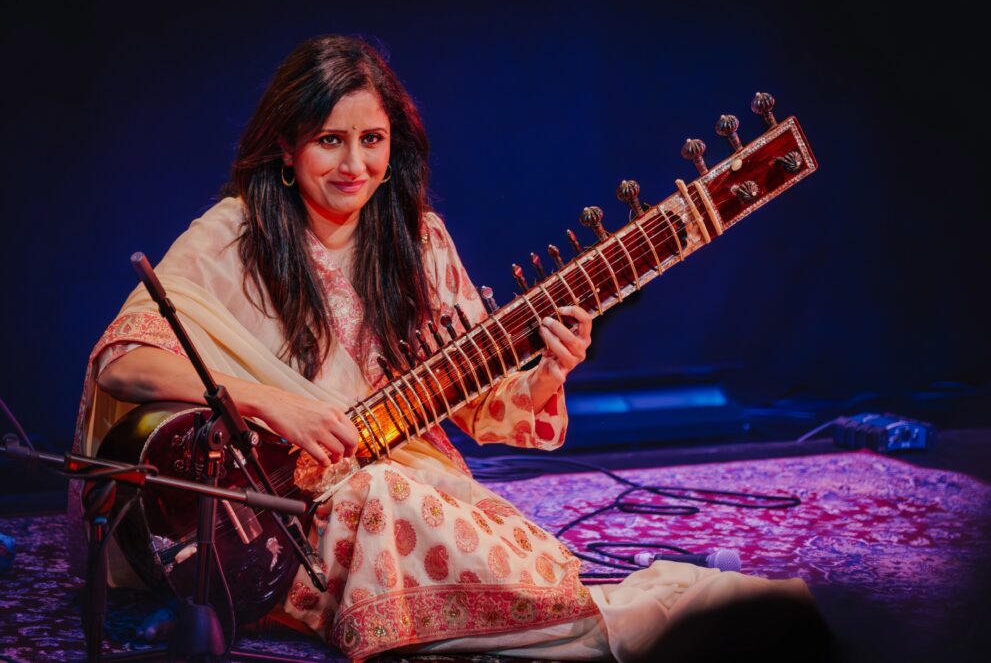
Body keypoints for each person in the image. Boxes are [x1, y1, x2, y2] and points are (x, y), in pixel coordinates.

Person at [70, 35, 813, 662]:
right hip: (267, 518)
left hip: (402, 480)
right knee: (381, 498)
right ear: (286, 147)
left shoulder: (417, 240)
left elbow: (483, 402)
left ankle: (564, 620)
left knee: (490, 545)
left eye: (372, 140)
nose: (354, 164)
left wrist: (550, 367)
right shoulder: (235, 235)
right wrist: (274, 405)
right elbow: (123, 362)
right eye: (330, 140)